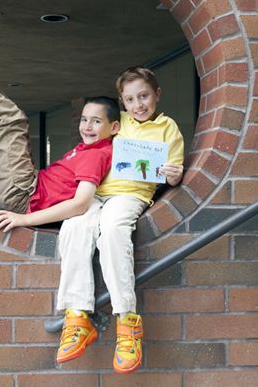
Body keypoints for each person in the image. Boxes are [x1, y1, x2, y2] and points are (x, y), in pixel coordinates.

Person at [0, 11, 120, 230]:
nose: (87, 126)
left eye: (96, 121)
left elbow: (80, 204)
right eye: (84, 119)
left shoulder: (97, 154)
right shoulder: (91, 149)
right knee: (11, 117)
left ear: (114, 127)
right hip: (30, 185)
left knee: (12, 119)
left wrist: (24, 219)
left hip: (24, 196)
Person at [55, 66, 185, 374]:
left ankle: (127, 322)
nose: (138, 105)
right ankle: (77, 316)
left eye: (143, 96)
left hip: (132, 195)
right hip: (98, 192)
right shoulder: (119, 123)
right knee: (73, 227)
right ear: (122, 103)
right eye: (130, 99)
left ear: (157, 95)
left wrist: (174, 175)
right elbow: (91, 138)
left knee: (112, 231)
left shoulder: (169, 129)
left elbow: (176, 172)